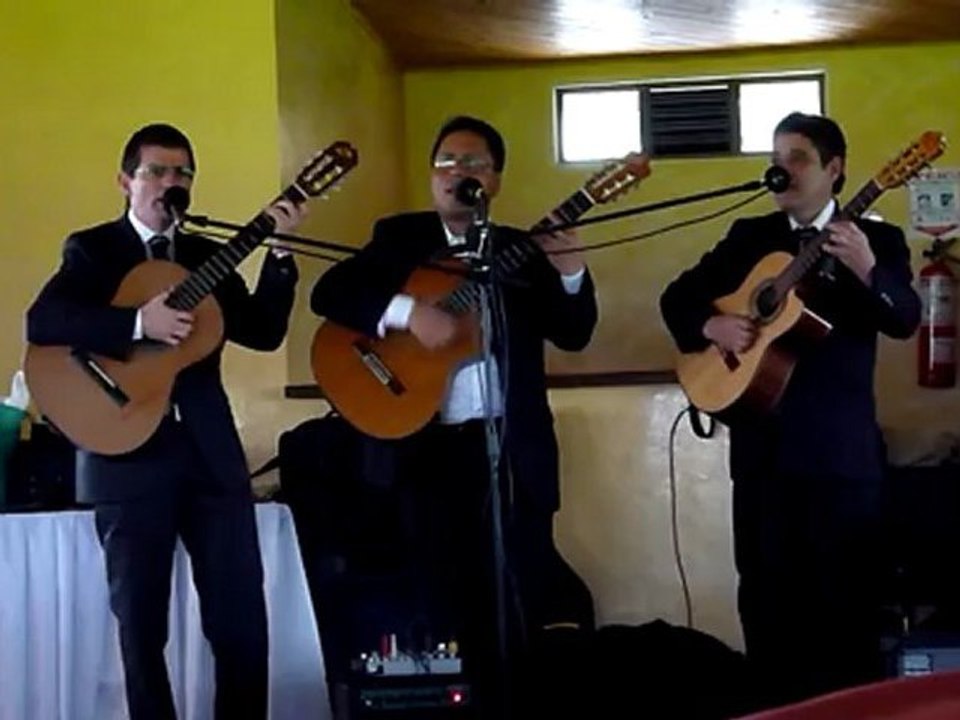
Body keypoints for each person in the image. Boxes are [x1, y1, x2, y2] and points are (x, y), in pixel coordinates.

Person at [309, 115, 598, 716]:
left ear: (494, 180)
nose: (457, 172)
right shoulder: (399, 238)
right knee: (440, 609)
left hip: (509, 452)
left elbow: (574, 332)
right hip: (426, 454)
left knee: (517, 605)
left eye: (473, 163)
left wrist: (571, 270)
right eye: (446, 161)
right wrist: (407, 313)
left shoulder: (519, 251)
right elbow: (330, 294)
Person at [26, 123, 304, 719]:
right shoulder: (95, 250)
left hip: (208, 454)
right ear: (125, 181)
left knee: (240, 621)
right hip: (126, 451)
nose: (170, 183)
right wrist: (135, 325)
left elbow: (262, 330)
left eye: (182, 173)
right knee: (142, 629)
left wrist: (280, 255)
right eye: (156, 171)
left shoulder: (204, 256)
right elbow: (44, 321)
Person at [660, 112, 921, 709]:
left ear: (835, 169)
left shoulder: (877, 241)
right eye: (777, 158)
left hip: (840, 462)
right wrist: (712, 325)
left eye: (798, 157)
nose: (783, 169)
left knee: (846, 611)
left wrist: (866, 268)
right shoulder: (748, 237)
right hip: (762, 458)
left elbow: (904, 318)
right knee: (766, 607)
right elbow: (676, 298)